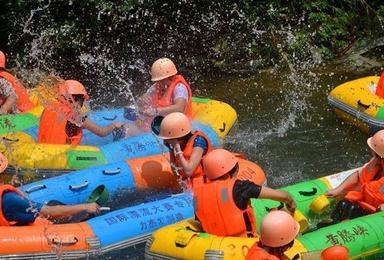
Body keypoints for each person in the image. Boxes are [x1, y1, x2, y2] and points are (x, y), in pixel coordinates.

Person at [194, 149, 296, 238]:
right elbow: (284, 196)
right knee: (281, 213)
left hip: (215, 247)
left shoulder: (197, 195)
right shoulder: (240, 187)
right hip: (244, 246)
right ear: (235, 169)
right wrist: (291, 206)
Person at [0, 152, 99, 226]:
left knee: (53, 202)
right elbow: (49, 212)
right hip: (37, 234)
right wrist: (85, 207)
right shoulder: (9, 199)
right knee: (85, 214)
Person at [120, 58, 192, 137]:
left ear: (168, 77)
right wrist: (142, 99)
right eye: (158, 80)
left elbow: (180, 108)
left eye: (160, 80)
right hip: (160, 123)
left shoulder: (179, 87)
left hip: (178, 126)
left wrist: (156, 111)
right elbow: (138, 105)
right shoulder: (157, 86)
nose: (158, 83)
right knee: (123, 129)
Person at [38, 79, 123, 145]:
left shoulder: (48, 108)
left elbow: (61, 127)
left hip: (43, 152)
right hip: (64, 159)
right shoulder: (76, 117)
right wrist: (114, 125)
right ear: (78, 101)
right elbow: (102, 132)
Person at [325, 129, 384, 221]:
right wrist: (338, 189)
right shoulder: (376, 163)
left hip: (376, 214)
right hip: (365, 203)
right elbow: (358, 175)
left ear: (378, 155)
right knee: (344, 204)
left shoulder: (379, 159)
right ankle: (328, 225)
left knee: (351, 210)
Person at [152, 112, 212, 189]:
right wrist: (171, 149)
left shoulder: (199, 141)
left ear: (177, 137)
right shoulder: (181, 145)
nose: (165, 141)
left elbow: (188, 171)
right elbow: (176, 173)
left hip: (205, 187)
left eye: (167, 139)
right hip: (189, 187)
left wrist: (177, 149)